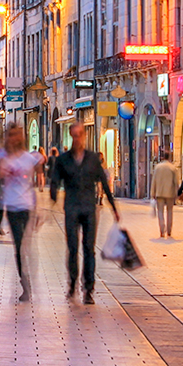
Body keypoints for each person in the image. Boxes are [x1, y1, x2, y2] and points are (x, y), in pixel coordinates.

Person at [50, 123, 120, 303]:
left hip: (89, 209)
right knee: (73, 248)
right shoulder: (63, 160)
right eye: (74, 135)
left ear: (84, 136)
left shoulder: (92, 159)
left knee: (89, 249)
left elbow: (103, 183)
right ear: (71, 136)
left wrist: (113, 207)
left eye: (80, 135)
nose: (77, 138)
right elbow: (55, 181)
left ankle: (88, 288)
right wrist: (52, 197)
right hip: (72, 208)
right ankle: (72, 283)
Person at [0, 124, 44, 302]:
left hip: (27, 207)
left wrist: (39, 208)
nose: (15, 138)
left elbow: (36, 182)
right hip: (12, 207)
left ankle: (28, 280)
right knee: (19, 247)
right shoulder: (2, 156)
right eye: (11, 135)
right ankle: (25, 284)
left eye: (17, 135)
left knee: (27, 246)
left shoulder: (28, 158)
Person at [151, 152, 181, 237]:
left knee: (160, 211)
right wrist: (177, 193)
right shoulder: (173, 168)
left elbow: (154, 181)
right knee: (170, 211)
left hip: (159, 193)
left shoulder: (157, 167)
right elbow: (176, 182)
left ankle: (162, 229)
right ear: (170, 157)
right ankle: (169, 230)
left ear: (163, 157)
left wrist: (153, 192)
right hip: (170, 193)